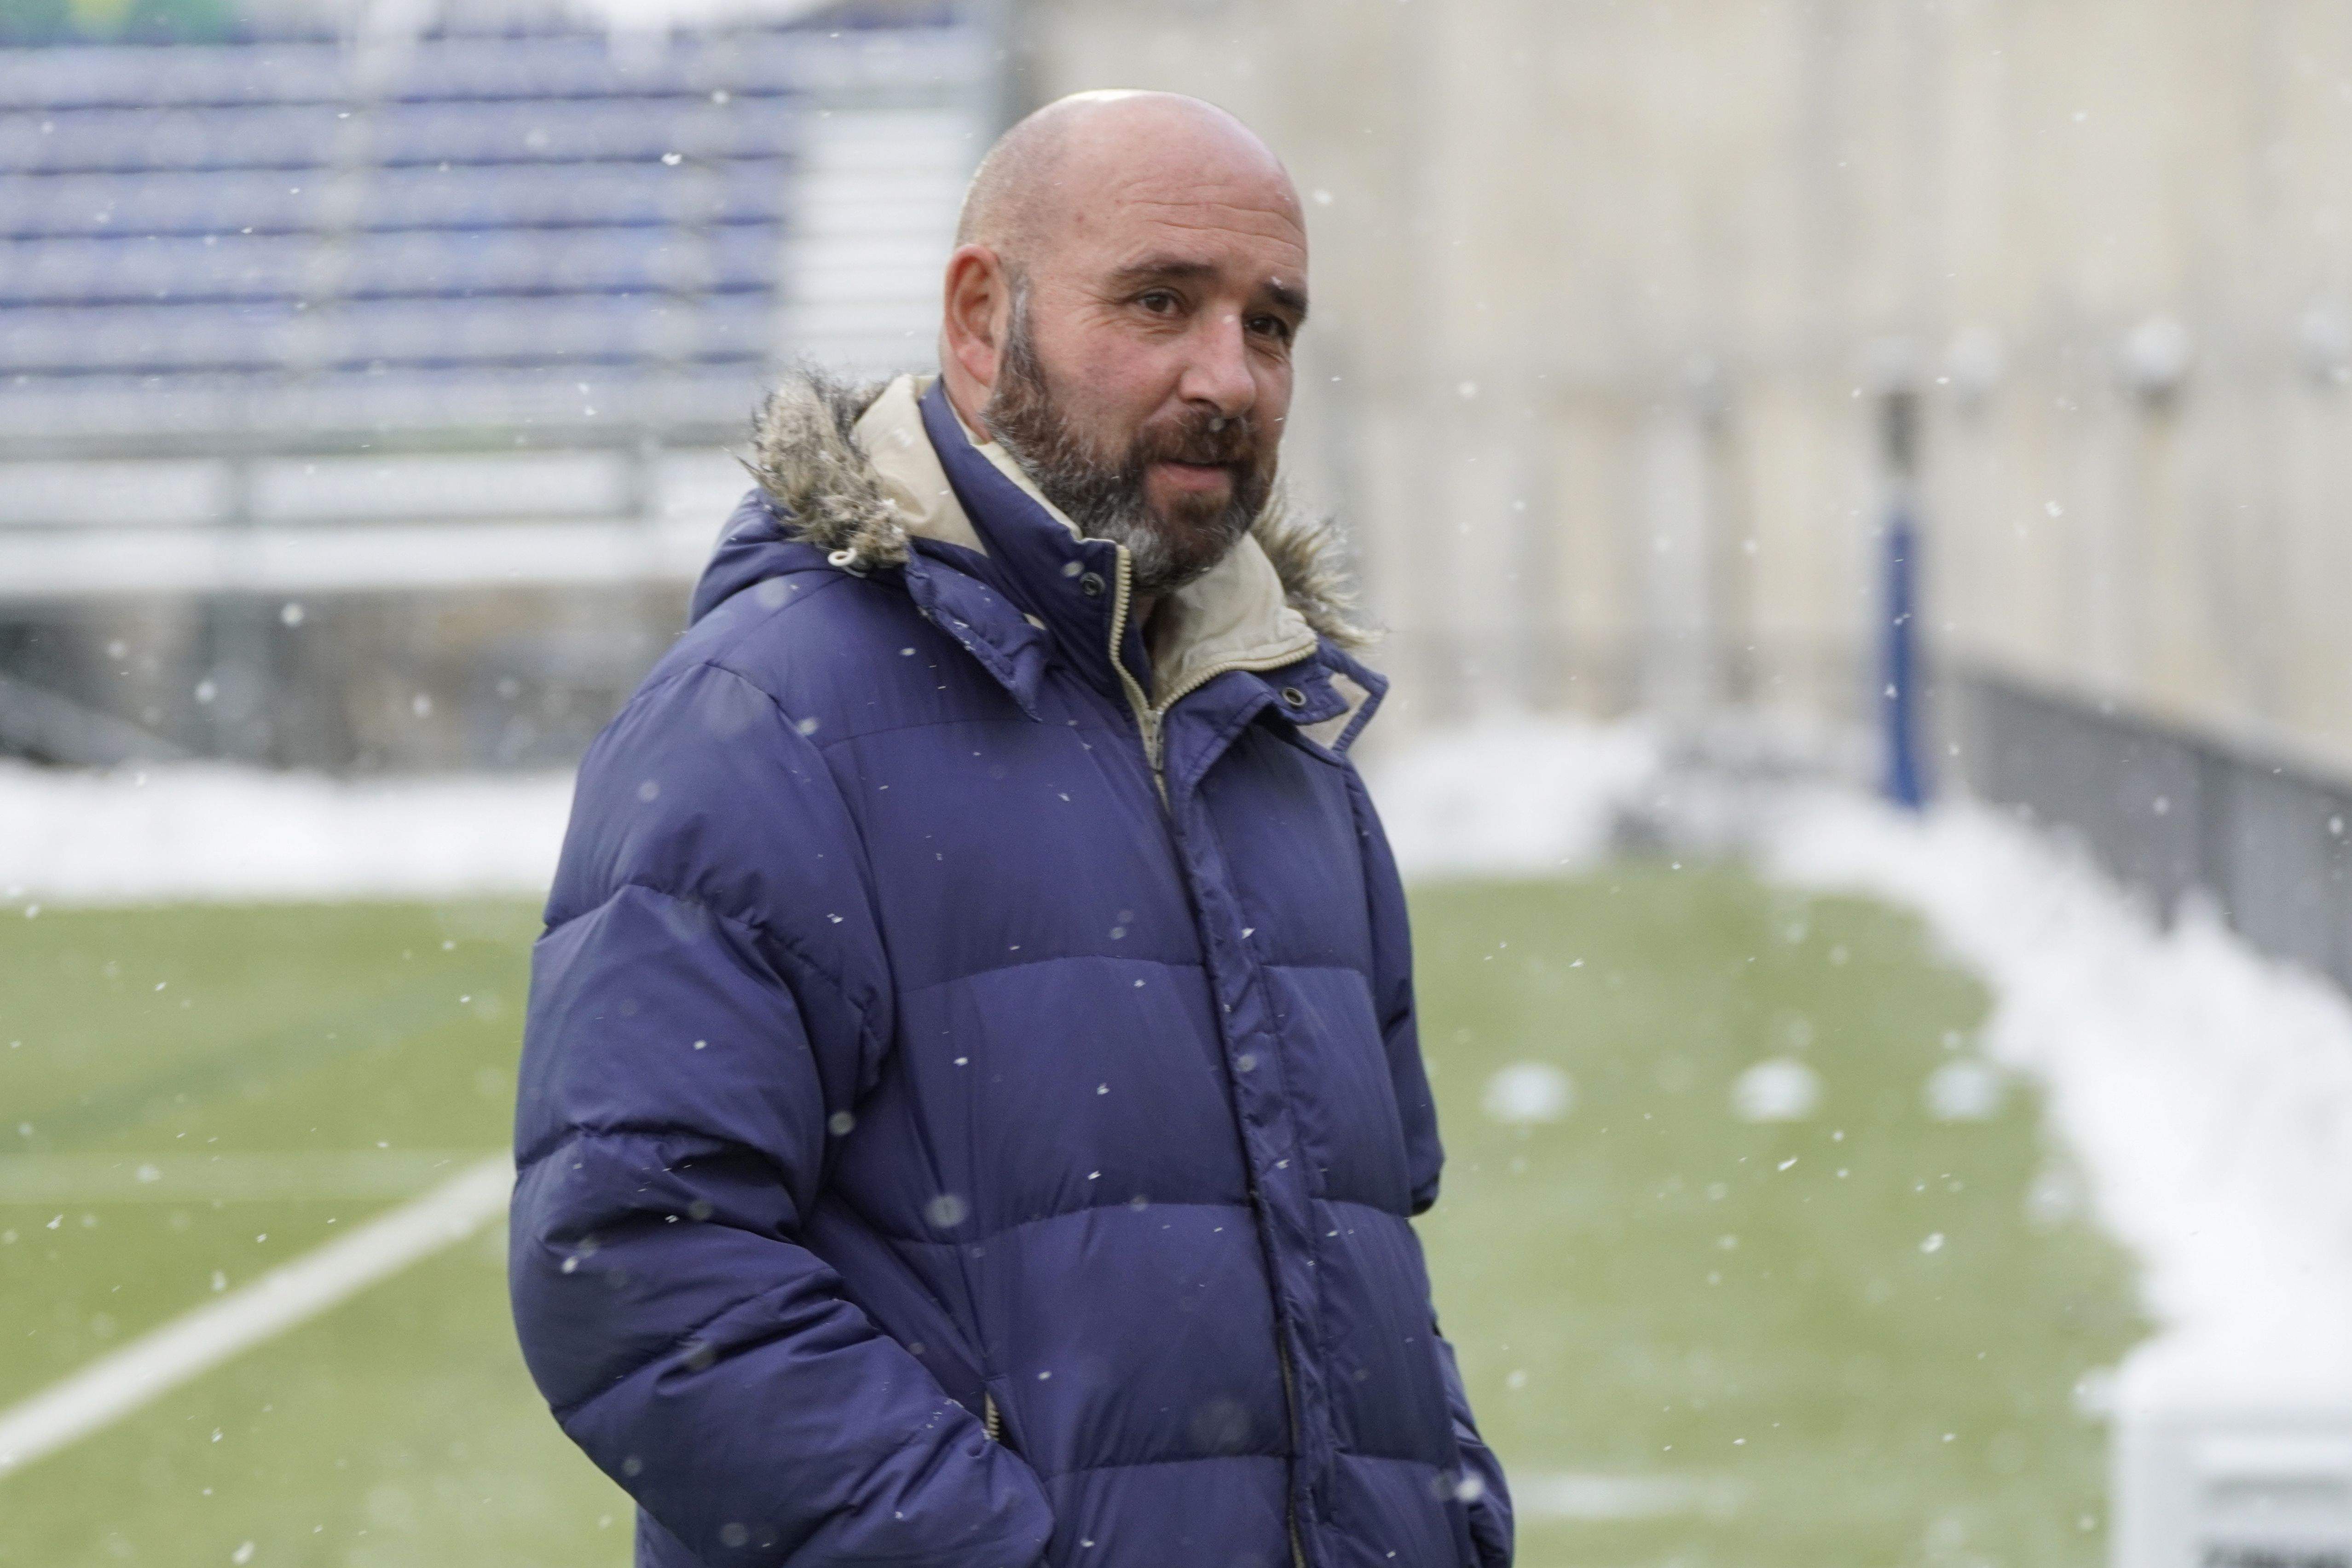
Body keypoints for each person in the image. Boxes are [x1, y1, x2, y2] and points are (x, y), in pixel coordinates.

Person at [509, 89, 1512, 1568]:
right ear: (982, 319)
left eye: (1271, 324)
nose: (1228, 376)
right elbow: (637, 1266)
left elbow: (1362, 1246)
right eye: (1160, 302)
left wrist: (1449, 1519)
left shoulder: (1283, 737)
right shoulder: (765, 717)